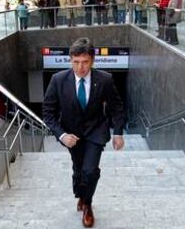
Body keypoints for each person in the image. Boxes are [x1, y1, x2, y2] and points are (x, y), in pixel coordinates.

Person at [43, 37, 125, 228]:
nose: (81, 67)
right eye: (76, 62)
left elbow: (117, 107)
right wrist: (62, 135)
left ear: (92, 61)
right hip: (71, 134)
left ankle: (87, 204)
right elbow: (48, 113)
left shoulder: (105, 79)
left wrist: (118, 133)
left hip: (96, 132)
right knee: (78, 169)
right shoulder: (58, 80)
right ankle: (80, 194)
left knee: (90, 171)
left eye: (85, 62)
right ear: (70, 60)